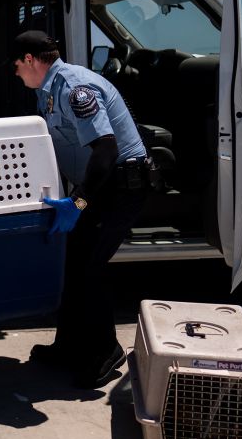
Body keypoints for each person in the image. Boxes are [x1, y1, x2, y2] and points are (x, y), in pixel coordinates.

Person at [11, 31, 151, 389]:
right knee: (72, 265)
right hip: (100, 186)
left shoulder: (74, 89)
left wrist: (78, 202)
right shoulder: (50, 91)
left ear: (30, 60)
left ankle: (106, 351)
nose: (15, 73)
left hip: (121, 185)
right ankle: (69, 346)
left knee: (89, 268)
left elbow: (105, 151)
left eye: (17, 65)